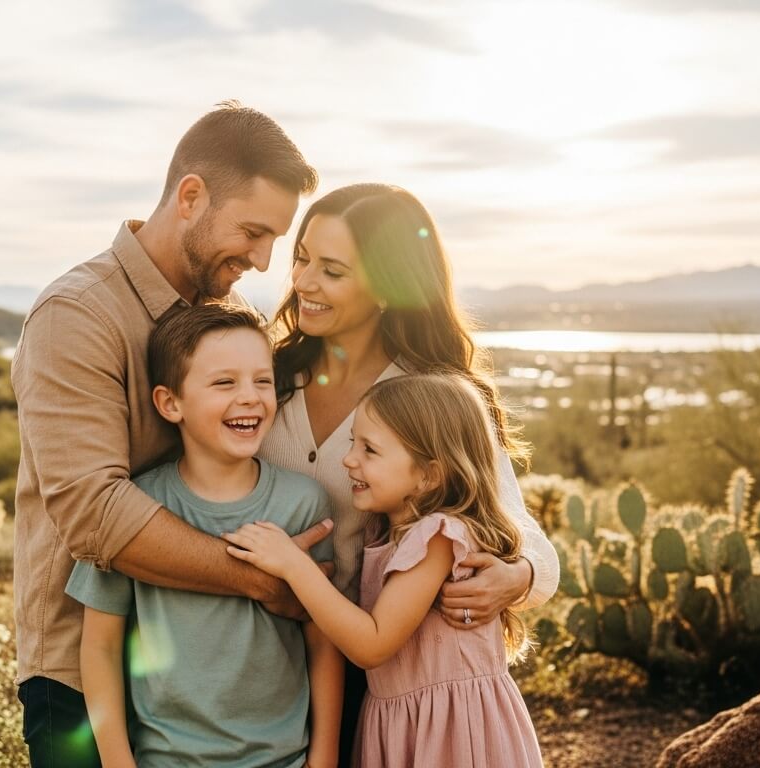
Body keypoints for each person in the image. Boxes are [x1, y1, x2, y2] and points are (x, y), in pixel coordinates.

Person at [10, 101, 328, 767]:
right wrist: (263, 581)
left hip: (219, 685)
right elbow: (94, 514)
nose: (265, 260)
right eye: (252, 231)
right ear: (190, 197)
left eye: (276, 238)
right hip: (84, 671)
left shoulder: (232, 318)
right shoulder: (77, 315)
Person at [254, 183, 559, 760]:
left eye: (332, 270)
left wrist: (514, 578)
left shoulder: (432, 399)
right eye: (302, 259)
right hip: (269, 660)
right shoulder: (265, 378)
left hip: (390, 679)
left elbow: (524, 537)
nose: (303, 282)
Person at [68, 303, 342, 767]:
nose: (251, 397)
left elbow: (323, 641)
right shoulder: (137, 507)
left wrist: (324, 758)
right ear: (169, 403)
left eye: (261, 380)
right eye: (224, 382)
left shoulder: (304, 503)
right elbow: (100, 646)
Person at [225, 373, 544, 767]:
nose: (349, 460)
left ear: (429, 474)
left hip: (450, 735)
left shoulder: (437, 538)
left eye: (370, 450)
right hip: (404, 724)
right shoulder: (385, 532)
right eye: (351, 443)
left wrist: (293, 565)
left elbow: (372, 645)